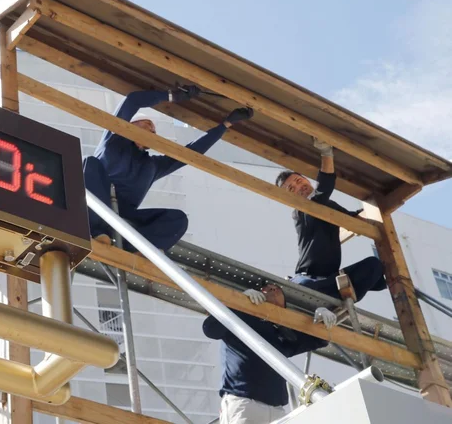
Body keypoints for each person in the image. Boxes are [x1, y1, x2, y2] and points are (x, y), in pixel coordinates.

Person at [83, 87, 253, 251]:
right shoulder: (112, 141)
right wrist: (170, 96)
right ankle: (97, 232)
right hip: (96, 206)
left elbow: (191, 152)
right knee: (90, 163)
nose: (152, 131)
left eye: (154, 130)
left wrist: (225, 125)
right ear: (131, 125)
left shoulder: (153, 166)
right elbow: (132, 100)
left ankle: (139, 249)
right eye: (147, 125)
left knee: (178, 220)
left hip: (123, 218)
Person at [274, 139, 387, 304]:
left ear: (305, 179)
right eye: (292, 189)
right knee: (373, 275)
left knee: (374, 266)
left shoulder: (325, 204)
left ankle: (336, 300)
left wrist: (377, 213)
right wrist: (327, 153)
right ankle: (333, 301)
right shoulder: (300, 212)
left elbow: (353, 219)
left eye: (299, 181)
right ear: (290, 197)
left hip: (330, 281)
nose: (299, 187)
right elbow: (324, 188)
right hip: (307, 282)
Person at [204, 284, 333, 424]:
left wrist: (322, 323)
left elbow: (314, 340)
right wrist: (240, 304)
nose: (272, 291)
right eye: (267, 288)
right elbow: (210, 328)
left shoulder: (279, 336)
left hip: (276, 409)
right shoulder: (239, 322)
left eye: (278, 290)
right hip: (243, 401)